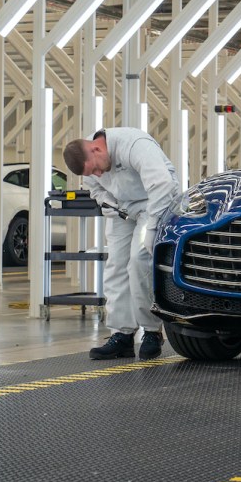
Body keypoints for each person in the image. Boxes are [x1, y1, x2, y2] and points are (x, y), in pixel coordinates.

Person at [63, 128, 180, 360]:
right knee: (116, 266)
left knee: (139, 260)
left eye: (96, 168)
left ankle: (151, 331)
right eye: (91, 173)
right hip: (122, 208)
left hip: (154, 203)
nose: (96, 174)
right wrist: (106, 200)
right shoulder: (89, 166)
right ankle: (122, 334)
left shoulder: (134, 144)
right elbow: (95, 189)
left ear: (96, 148)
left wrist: (153, 227)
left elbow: (162, 185)